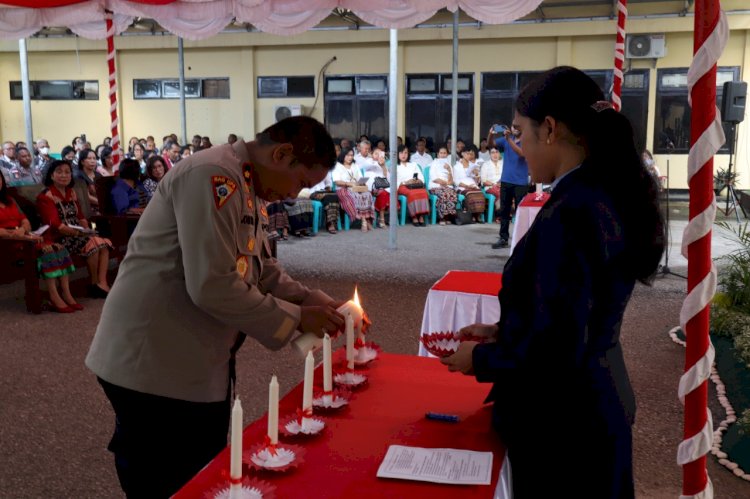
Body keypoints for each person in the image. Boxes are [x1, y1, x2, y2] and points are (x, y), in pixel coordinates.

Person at [84, 116, 346, 498]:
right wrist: (299, 318)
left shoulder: (244, 181)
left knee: (199, 465)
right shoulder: (213, 175)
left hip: (188, 354)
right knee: (167, 475)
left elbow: (259, 264)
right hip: (152, 360)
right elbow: (213, 285)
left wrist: (307, 297)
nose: (294, 195)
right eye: (301, 183)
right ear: (282, 153)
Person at [441, 66, 665, 499]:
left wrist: (482, 360)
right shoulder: (597, 193)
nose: (517, 147)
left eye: (519, 132)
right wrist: (506, 331)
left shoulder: (572, 210)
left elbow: (558, 347)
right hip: (593, 400)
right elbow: (572, 309)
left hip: (566, 421)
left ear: (549, 129)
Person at [37, 160, 113, 299]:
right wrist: (79, 233)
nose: (64, 175)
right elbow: (55, 225)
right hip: (58, 236)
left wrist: (86, 230)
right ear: (51, 176)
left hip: (78, 233)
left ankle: (102, 283)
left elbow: (81, 216)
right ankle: (94, 284)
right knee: (94, 245)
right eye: (59, 172)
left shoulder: (71, 192)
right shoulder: (45, 196)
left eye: (67, 172)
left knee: (102, 243)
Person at [488, 122, 529, 249]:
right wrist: (490, 135)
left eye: (518, 126)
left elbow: (522, 153)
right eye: (513, 126)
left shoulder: (526, 141)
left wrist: (508, 140)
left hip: (520, 183)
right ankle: (503, 238)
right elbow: (491, 145)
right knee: (504, 211)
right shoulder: (506, 139)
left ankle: (522, 240)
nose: (515, 128)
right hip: (506, 180)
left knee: (520, 212)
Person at [332, 147, 374, 232]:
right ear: (343, 155)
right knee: (354, 196)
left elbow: (360, 178)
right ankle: (363, 220)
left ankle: (367, 219)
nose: (350, 157)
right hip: (343, 189)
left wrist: (361, 183)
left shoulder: (355, 166)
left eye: (351, 155)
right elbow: (337, 181)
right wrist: (348, 184)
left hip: (356, 188)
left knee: (367, 194)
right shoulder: (337, 166)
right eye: (348, 155)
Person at [395, 144, 429, 226]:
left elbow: (419, 176)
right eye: (401, 153)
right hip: (402, 186)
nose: (403, 155)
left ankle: (420, 215)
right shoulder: (396, 166)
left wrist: (416, 180)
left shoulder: (413, 165)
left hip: (415, 185)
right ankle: (414, 216)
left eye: (406, 153)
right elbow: (396, 180)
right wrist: (406, 182)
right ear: (397, 154)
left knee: (424, 192)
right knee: (412, 194)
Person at [453, 145, 486, 223]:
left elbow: (477, 181)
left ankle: (477, 215)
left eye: (470, 154)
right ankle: (472, 215)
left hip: (473, 185)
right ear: (462, 154)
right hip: (462, 187)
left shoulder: (473, 165)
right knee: (470, 194)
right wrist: (467, 186)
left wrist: (476, 175)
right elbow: (455, 181)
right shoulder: (457, 166)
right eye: (467, 154)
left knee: (480, 194)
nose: (469, 156)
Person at [427, 146, 457, 225]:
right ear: (438, 154)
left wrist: (449, 170)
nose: (443, 155)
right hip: (435, 186)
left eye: (444, 153)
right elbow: (434, 179)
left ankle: (448, 216)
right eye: (441, 153)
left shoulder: (448, 165)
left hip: (447, 186)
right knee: (443, 193)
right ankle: (442, 217)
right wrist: (446, 183)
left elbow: (451, 181)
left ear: (447, 155)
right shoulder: (434, 163)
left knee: (452, 193)